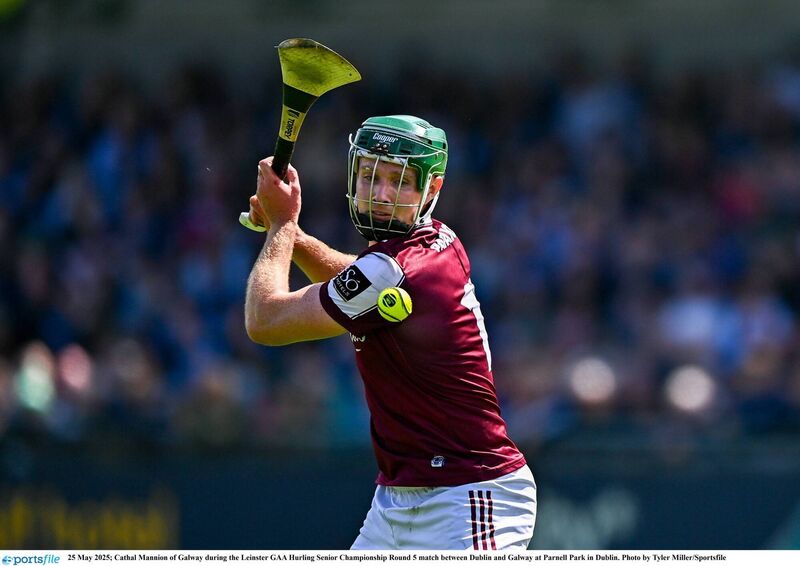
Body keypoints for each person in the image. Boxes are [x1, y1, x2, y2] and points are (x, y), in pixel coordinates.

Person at [244, 115, 537, 550]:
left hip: (471, 494)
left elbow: (264, 320)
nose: (380, 195)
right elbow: (358, 278)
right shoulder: (434, 240)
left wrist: (281, 227)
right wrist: (290, 233)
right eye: (369, 177)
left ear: (432, 189)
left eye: (399, 181)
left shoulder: (399, 269)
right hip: (395, 503)